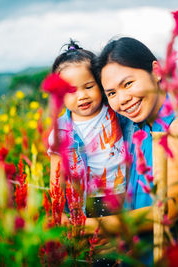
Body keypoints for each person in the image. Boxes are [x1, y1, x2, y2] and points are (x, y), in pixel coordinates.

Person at [86, 37, 178, 264]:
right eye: (112, 93)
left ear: (155, 71)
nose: (123, 99)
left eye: (128, 84)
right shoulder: (133, 126)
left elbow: (170, 208)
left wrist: (95, 226)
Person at [47, 40, 127, 226]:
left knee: (120, 243)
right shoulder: (60, 131)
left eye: (89, 87)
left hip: (120, 194)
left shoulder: (114, 111)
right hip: (83, 199)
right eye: (71, 91)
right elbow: (56, 175)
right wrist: (58, 210)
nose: (82, 96)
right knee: (92, 246)